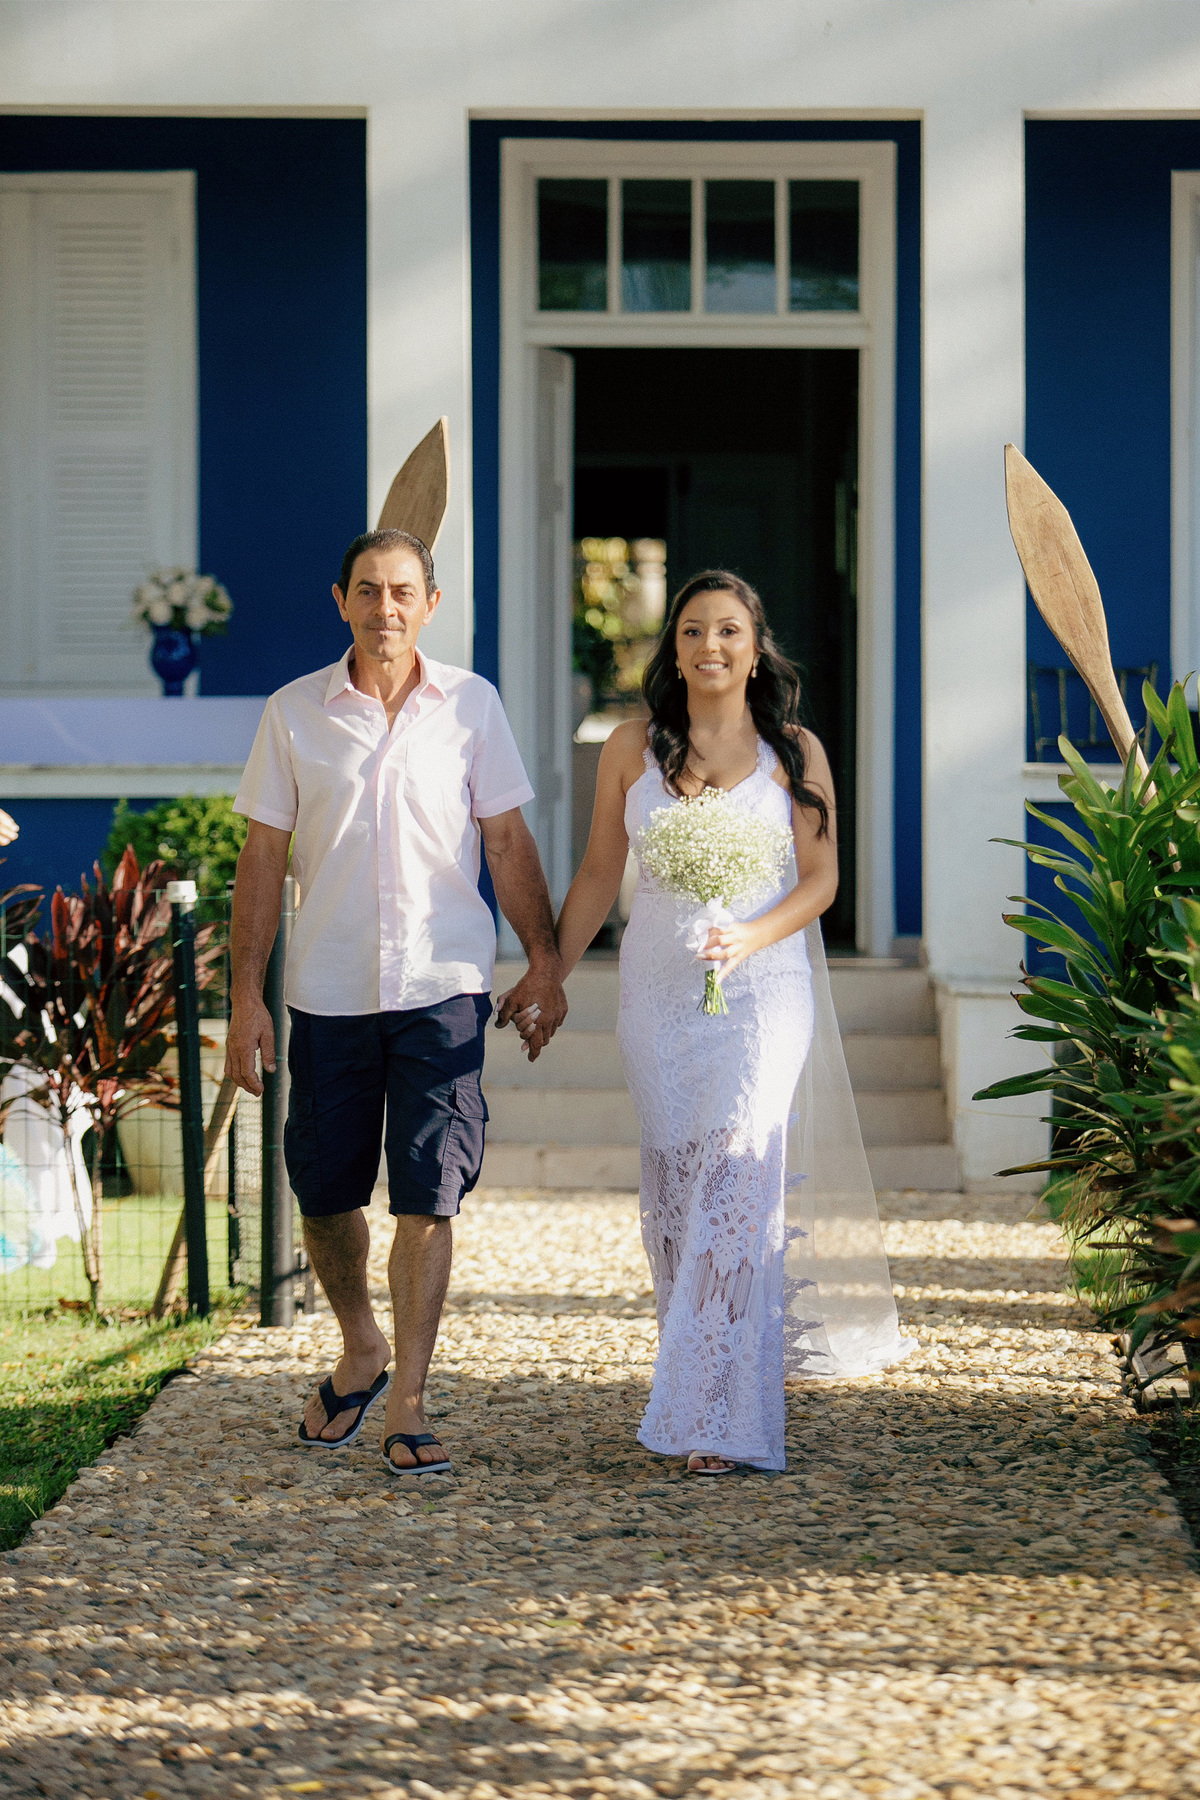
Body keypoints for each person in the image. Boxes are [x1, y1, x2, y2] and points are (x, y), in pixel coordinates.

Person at [555, 570, 910, 1475]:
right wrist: (546, 974)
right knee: (676, 1196)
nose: (710, 646)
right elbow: (600, 874)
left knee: (738, 1187)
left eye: (728, 631)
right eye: (691, 632)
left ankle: (715, 1416)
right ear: (672, 648)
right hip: (660, 998)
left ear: (756, 650)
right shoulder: (631, 749)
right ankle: (698, 1377)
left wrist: (749, 935)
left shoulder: (795, 752)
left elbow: (821, 882)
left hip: (764, 996)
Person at [226, 528, 566, 1475]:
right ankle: (361, 1344)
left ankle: (408, 1394)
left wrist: (543, 963)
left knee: (430, 1190)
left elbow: (507, 840)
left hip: (441, 989)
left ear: (431, 602)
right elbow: (261, 859)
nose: (386, 608)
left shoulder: (472, 707)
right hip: (328, 992)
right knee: (325, 1192)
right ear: (340, 600)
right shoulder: (293, 713)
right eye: (368, 590)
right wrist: (244, 999)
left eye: (403, 591)